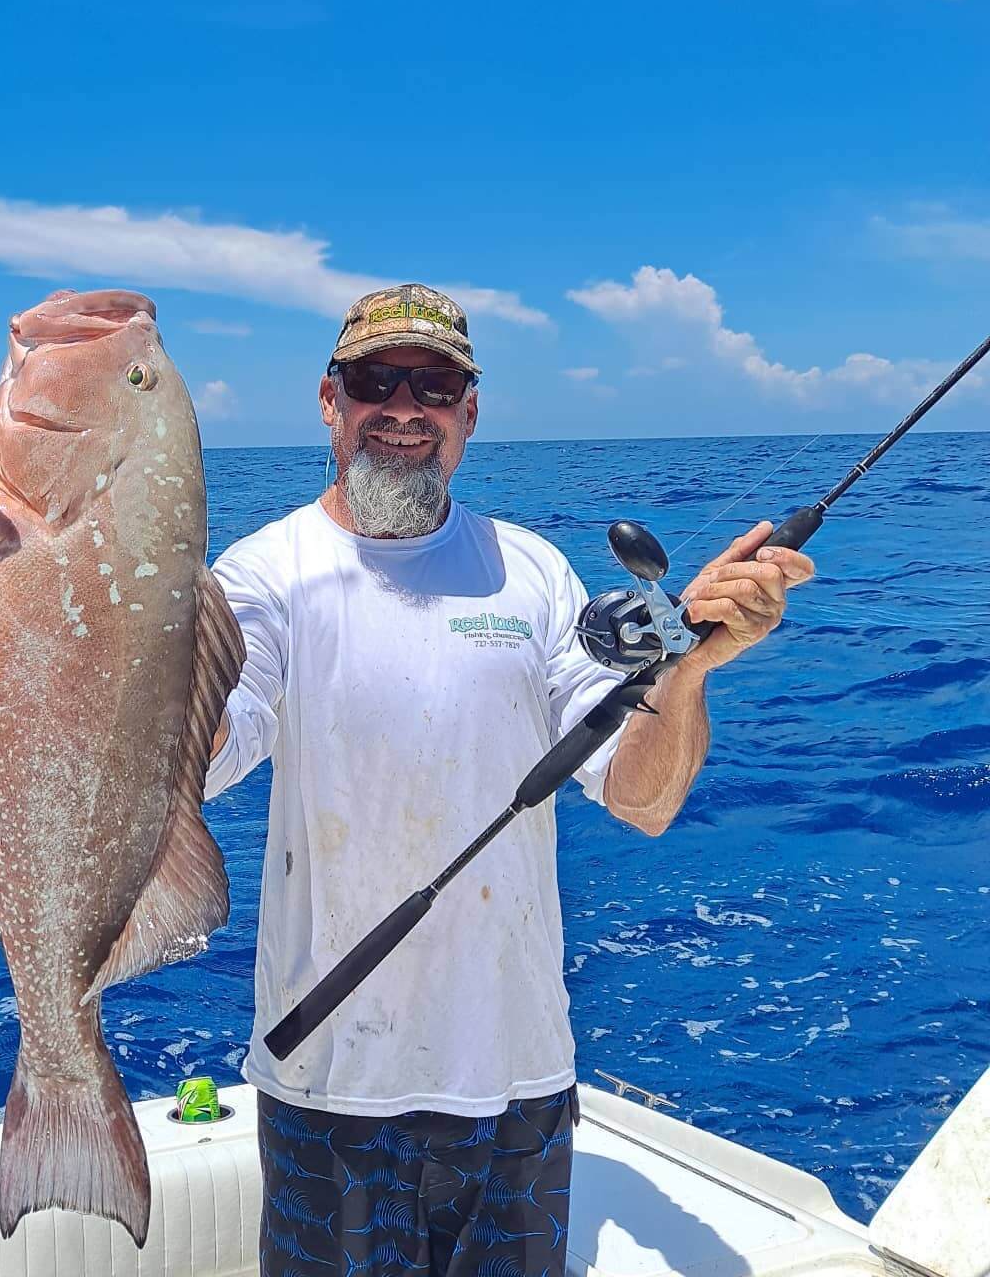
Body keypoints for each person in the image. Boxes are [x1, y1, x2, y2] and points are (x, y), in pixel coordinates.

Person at [201, 283, 814, 1277]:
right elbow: (216, 746)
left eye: (435, 384)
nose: (403, 407)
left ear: (470, 412)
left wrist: (691, 663)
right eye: (374, 380)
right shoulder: (262, 575)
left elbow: (641, 796)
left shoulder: (530, 574)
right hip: (332, 1091)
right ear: (329, 399)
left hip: (520, 1088)